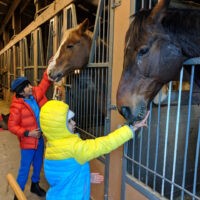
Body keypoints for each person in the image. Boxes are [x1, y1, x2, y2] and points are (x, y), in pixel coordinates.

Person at [40, 100, 149, 200]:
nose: (74, 123)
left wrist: (85, 177)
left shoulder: (50, 147)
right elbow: (104, 144)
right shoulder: (75, 148)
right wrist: (130, 129)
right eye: (69, 121)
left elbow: (61, 177)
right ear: (59, 127)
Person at [8, 70, 52, 199]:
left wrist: (48, 71)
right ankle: (18, 193)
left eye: (29, 84)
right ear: (21, 92)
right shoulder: (16, 107)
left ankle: (35, 185)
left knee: (38, 163)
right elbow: (11, 126)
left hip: (39, 139)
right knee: (24, 169)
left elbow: (44, 84)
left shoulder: (33, 95)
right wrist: (28, 133)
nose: (31, 87)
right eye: (27, 86)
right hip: (27, 142)